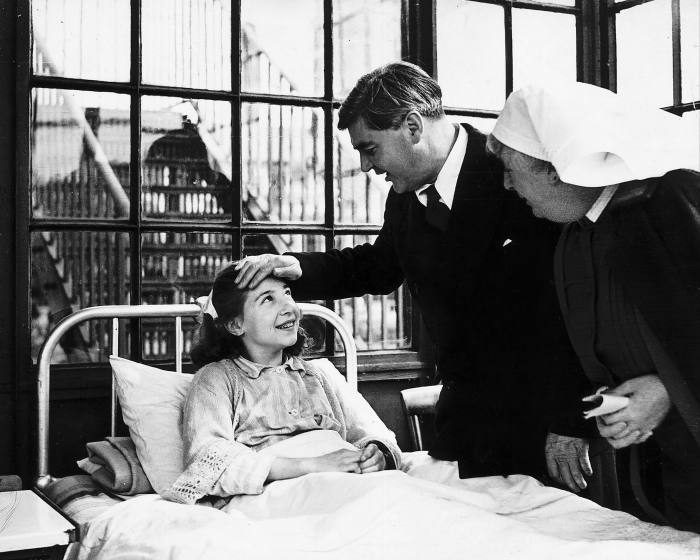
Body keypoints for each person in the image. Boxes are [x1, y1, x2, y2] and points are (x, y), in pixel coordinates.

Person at [233, 61, 586, 489]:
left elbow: (574, 311)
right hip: (468, 419)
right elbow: (378, 267)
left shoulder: (513, 174)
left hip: (548, 419)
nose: (365, 166)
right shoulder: (407, 197)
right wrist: (299, 268)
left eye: (370, 148)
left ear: (413, 127)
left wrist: (570, 419)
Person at [486, 81, 700, 532]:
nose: (506, 184)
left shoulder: (673, 200)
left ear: (555, 169)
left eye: (510, 168)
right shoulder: (575, 233)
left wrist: (666, 389)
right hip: (673, 475)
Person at [167, 263, 402, 503]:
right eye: (268, 299)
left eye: (287, 293)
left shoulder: (317, 374)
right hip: (280, 492)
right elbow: (208, 459)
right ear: (236, 325)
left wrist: (376, 455)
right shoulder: (217, 379)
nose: (289, 307)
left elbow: (373, 434)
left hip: (345, 479)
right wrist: (312, 465)